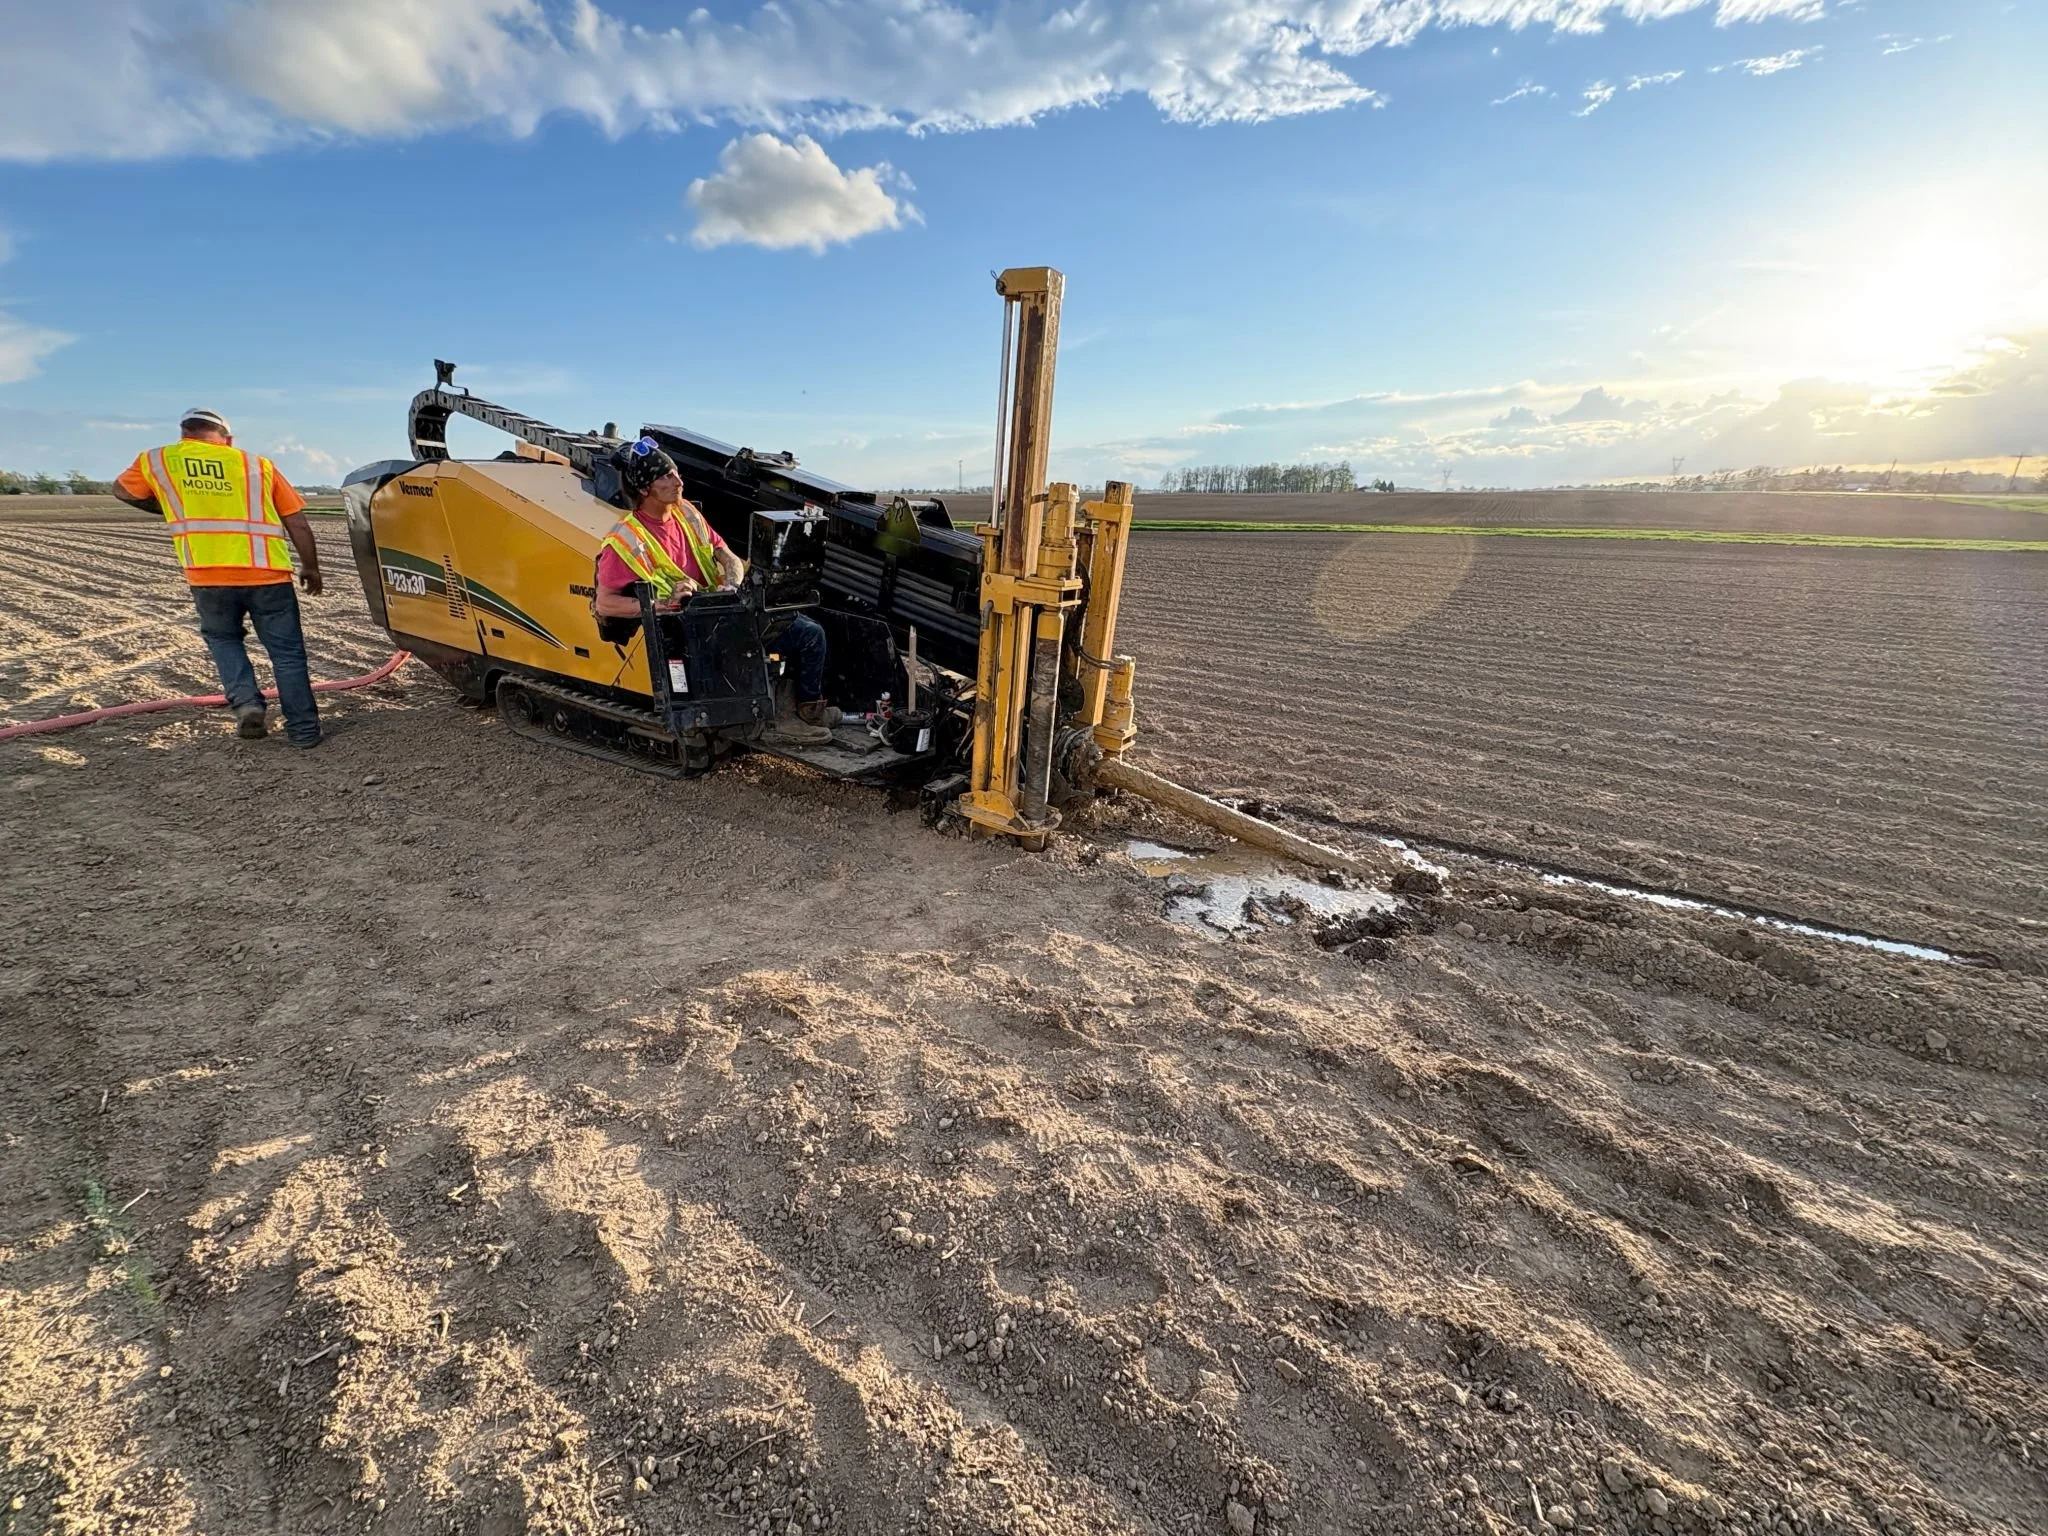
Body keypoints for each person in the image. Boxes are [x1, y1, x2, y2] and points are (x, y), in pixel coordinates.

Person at [594, 437, 833, 747]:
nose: (679, 481)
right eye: (667, 476)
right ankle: (778, 718)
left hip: (721, 610)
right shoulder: (626, 540)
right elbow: (605, 603)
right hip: (688, 631)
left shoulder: (686, 513)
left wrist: (732, 583)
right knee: (800, 636)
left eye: (676, 471)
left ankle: (807, 709)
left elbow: (727, 556)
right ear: (644, 489)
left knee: (807, 630)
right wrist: (661, 605)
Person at [113, 409, 326, 748]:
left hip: (207, 575)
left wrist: (170, 503)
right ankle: (304, 732)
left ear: (184, 433)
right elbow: (296, 521)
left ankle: (247, 704)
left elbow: (123, 491)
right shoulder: (257, 465)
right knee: (287, 654)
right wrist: (311, 567)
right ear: (227, 439)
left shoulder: (157, 460)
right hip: (267, 573)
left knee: (224, 640)